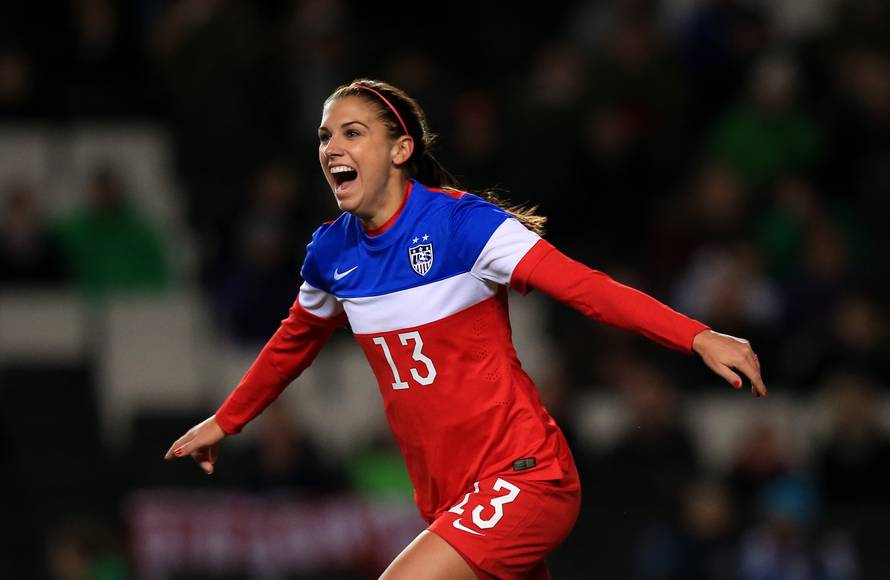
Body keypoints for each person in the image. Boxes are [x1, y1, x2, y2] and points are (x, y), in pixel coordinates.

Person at [165, 79, 768, 580]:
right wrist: (227, 419)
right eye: (325, 136)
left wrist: (697, 335)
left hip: (524, 476)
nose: (331, 147)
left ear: (400, 149)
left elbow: (587, 289)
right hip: (448, 500)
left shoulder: (463, 226)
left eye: (352, 132)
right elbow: (293, 341)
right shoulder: (331, 253)